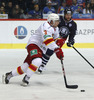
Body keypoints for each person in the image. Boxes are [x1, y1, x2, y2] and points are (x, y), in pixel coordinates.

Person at [2, 13, 64, 86]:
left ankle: (9, 75)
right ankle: (26, 78)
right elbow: (48, 40)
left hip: (41, 49)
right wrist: (56, 49)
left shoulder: (56, 29)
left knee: (25, 67)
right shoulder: (45, 26)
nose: (58, 22)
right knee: (38, 60)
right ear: (51, 21)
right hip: (33, 44)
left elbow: (55, 39)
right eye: (56, 21)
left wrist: (58, 42)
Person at [38, 8, 77, 73]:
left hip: (61, 40)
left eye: (70, 15)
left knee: (50, 51)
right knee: (44, 50)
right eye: (67, 15)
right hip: (53, 37)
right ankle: (38, 62)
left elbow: (72, 34)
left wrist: (71, 40)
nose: (68, 16)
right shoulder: (60, 20)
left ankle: (42, 65)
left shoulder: (73, 24)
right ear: (64, 14)